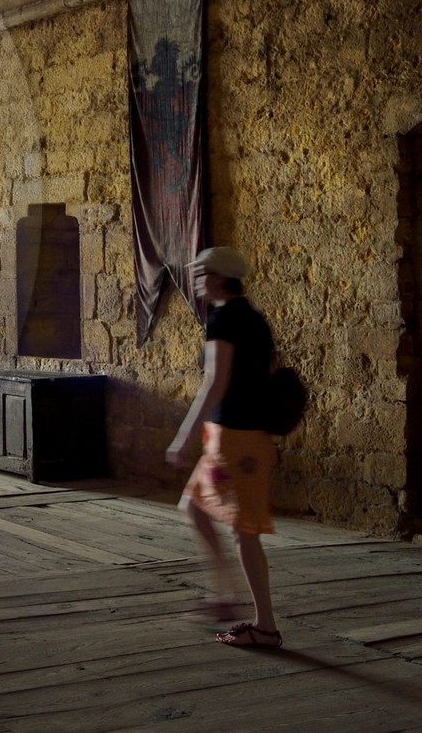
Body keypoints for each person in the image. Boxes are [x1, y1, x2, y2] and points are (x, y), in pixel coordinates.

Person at [166, 246, 283, 648]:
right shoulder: (254, 319)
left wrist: (183, 436)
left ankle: (265, 625)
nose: (196, 279)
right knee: (195, 507)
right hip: (237, 436)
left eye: (200, 273)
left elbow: (214, 381)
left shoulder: (223, 319)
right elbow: (267, 369)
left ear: (217, 277)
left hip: (236, 439)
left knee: (244, 532)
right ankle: (226, 595)